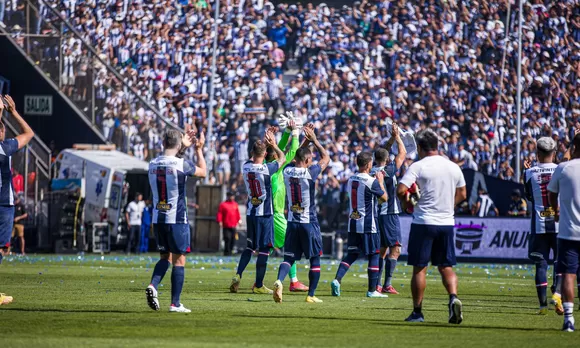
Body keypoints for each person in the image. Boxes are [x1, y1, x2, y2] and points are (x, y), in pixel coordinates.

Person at [396, 128, 466, 324]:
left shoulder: (418, 166)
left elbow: (401, 190)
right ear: (437, 145)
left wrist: (407, 203)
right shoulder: (453, 166)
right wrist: (447, 206)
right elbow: (463, 194)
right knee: (446, 267)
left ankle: (417, 312)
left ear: (419, 147)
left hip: (424, 222)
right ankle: (453, 297)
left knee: (419, 269)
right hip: (446, 222)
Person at [145, 128, 206, 313]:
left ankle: (153, 285)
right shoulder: (182, 164)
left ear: (163, 143)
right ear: (178, 144)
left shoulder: (152, 163)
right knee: (179, 260)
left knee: (165, 257)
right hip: (177, 219)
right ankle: (175, 303)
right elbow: (203, 172)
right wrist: (198, 149)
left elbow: (170, 160)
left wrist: (182, 147)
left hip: (159, 218)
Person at [272, 124, 329, 303]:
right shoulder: (310, 172)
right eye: (310, 159)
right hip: (308, 222)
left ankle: (279, 281)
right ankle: (311, 295)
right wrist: (315, 140)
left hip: (292, 222)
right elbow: (326, 158)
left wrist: (305, 141)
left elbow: (294, 156)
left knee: (288, 257)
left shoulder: (288, 171)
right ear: (306, 161)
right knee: (315, 258)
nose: (312, 162)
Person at [230, 128, 285, 294]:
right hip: (265, 215)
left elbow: (255, 155)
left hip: (251, 213)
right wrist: (273, 144)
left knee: (249, 247)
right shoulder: (268, 169)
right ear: (265, 152)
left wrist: (262, 142)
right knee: (264, 249)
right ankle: (259, 285)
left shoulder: (245, 166)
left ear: (252, 152)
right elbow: (282, 158)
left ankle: (238, 275)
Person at [331, 151, 389, 298]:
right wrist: (381, 182)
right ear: (369, 164)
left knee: (352, 254)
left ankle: (337, 280)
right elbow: (384, 198)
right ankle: (371, 290)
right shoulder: (371, 182)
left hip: (353, 223)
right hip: (369, 225)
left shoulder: (351, 179)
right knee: (374, 255)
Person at [0, 95, 35, 306]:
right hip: (3, 204)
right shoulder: (5, 147)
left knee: (2, 249)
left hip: (5, 204)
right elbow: (29, 133)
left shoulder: (5, 147)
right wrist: (11, 112)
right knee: (1, 248)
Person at [266, 119, 308, 292]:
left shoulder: (268, 166)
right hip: (275, 215)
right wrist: (295, 132)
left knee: (266, 248)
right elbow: (291, 152)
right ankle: (294, 281)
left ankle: (255, 281)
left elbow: (280, 150)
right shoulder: (276, 169)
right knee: (290, 246)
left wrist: (284, 134)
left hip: (271, 214)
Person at [523, 137, 562, 315]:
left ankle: (542, 306)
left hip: (539, 224)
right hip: (559, 223)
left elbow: (529, 196)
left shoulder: (529, 173)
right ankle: (558, 295)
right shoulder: (562, 170)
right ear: (554, 153)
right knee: (561, 263)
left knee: (541, 264)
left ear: (537, 153)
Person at [547, 133, 580, 332]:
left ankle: (569, 319)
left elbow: (552, 195)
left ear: (574, 147)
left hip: (569, 233)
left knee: (568, 275)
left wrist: (556, 212)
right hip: (569, 233)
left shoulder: (563, 168)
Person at [372, 123, 407, 295]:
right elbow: (402, 154)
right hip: (389, 213)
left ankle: (378, 284)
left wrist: (392, 138)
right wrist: (398, 136)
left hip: (378, 214)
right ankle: (386, 284)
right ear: (386, 160)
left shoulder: (373, 167)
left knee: (383, 249)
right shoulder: (388, 170)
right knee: (396, 249)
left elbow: (383, 151)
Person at [216, 192, 241, 256]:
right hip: (226, 225)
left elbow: (237, 213)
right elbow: (220, 213)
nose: (231, 197)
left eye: (232, 196)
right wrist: (220, 221)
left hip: (233, 225)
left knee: (233, 239)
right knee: (227, 238)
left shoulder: (235, 204)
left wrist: (239, 220)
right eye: (230, 196)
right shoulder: (223, 204)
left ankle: (231, 251)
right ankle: (226, 252)